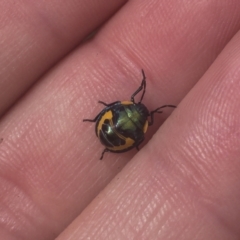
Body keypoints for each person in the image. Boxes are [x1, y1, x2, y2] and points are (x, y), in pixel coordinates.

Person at [0, 1, 240, 239]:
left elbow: (117, 110)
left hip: (106, 128)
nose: (141, 108)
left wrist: (110, 114)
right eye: (141, 108)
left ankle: (99, 130)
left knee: (112, 115)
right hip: (111, 135)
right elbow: (137, 137)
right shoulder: (139, 124)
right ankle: (103, 137)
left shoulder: (128, 111)